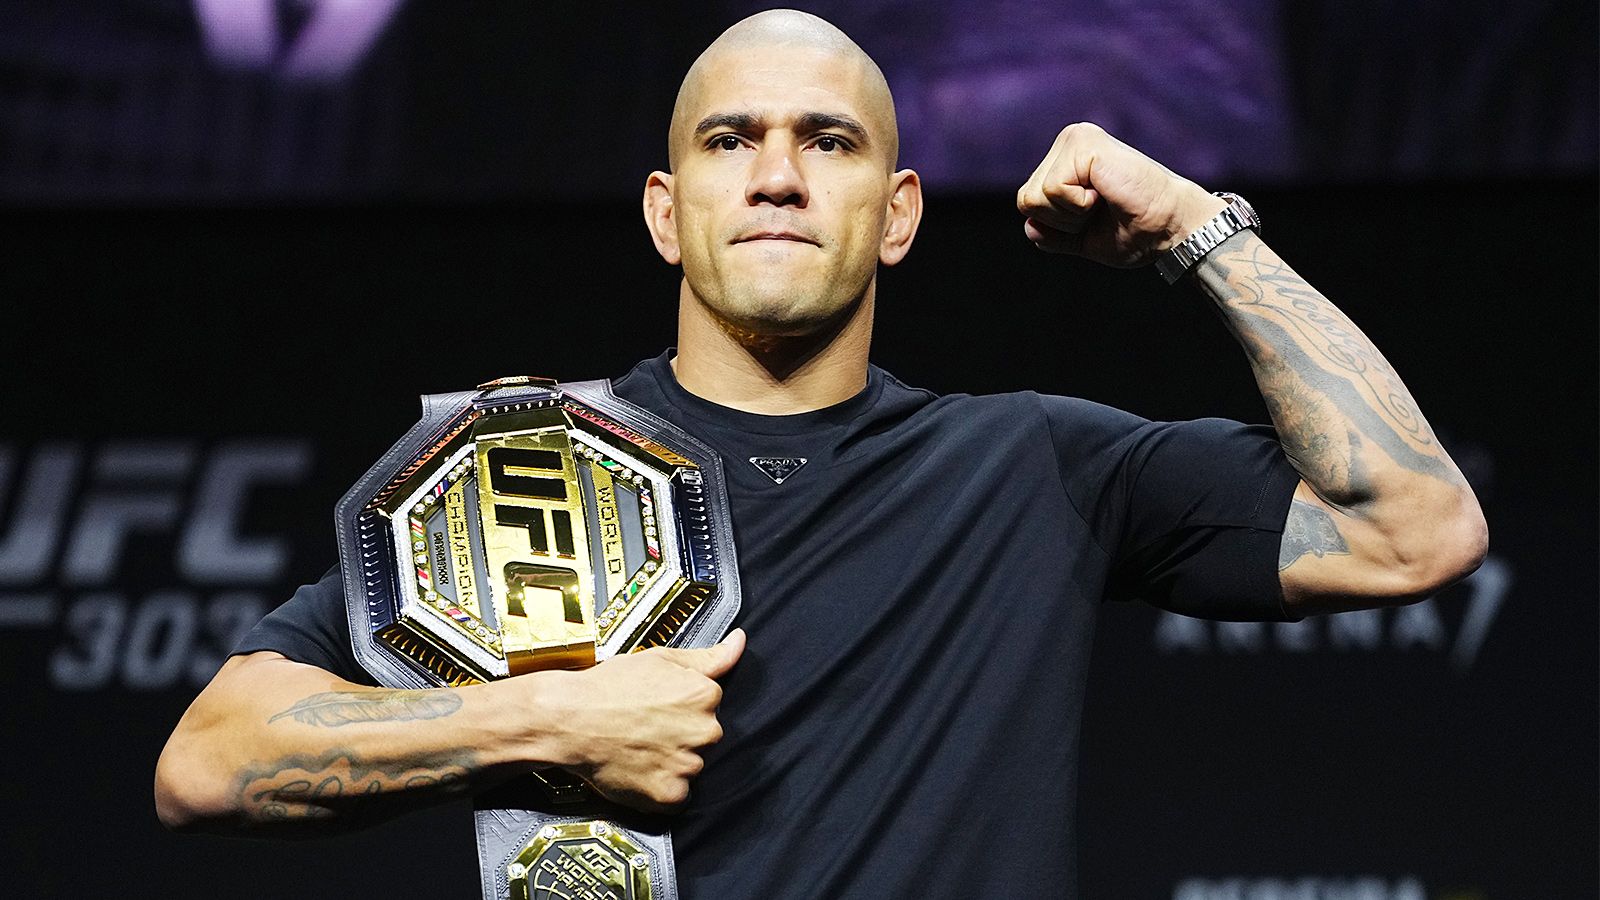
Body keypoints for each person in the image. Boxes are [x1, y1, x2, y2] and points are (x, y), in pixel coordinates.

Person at [155, 9, 1487, 898]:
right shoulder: (524, 477)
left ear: (899, 215)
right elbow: (206, 764)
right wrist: (546, 720)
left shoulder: (1033, 466)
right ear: (666, 213)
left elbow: (1415, 531)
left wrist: (1199, 231)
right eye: (731, 140)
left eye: (828, 142)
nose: (778, 175)